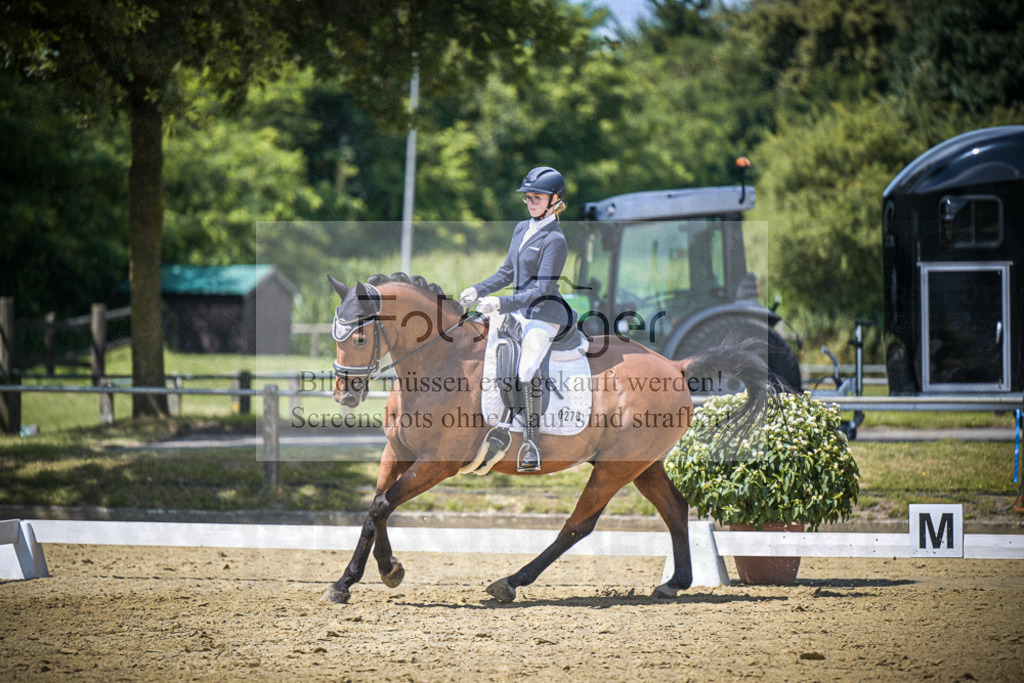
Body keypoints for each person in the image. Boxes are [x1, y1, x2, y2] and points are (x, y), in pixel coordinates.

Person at [459, 166, 577, 471]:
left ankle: (531, 442)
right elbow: (506, 273)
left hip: (544, 314)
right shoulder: (522, 229)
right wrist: (477, 289)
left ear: (555, 200)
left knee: (525, 368)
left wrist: (502, 302)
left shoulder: (555, 239)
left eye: (536, 197)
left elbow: (541, 289)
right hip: (520, 311)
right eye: (527, 197)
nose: (530, 202)